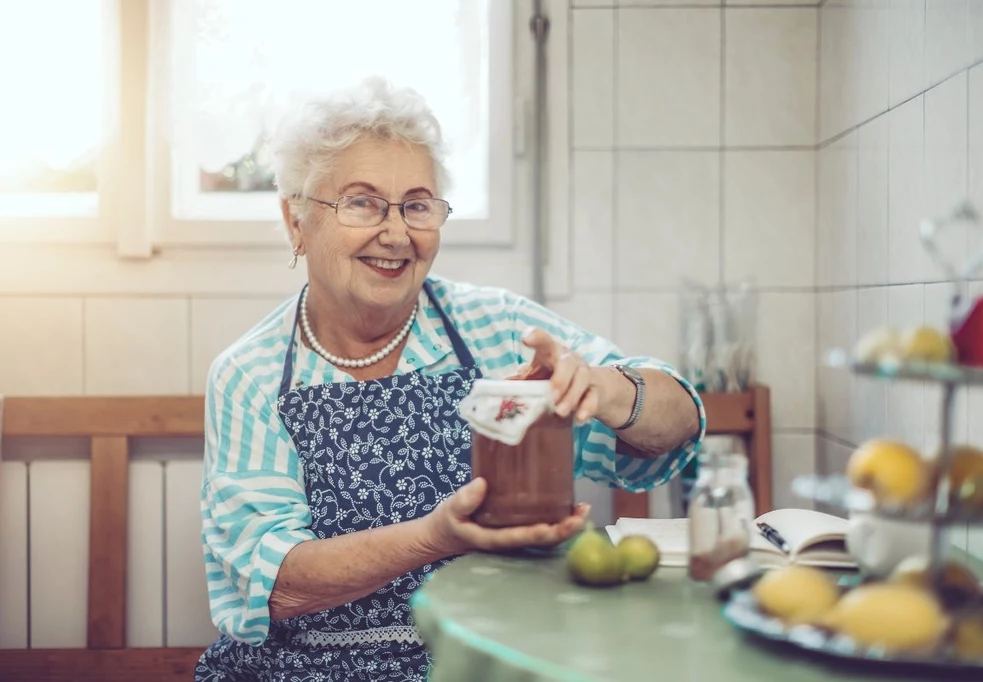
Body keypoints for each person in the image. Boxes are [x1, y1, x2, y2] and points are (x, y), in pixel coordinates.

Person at [194, 76, 706, 682]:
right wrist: (434, 536)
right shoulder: (249, 375)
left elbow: (679, 422)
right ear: (297, 221)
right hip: (308, 666)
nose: (396, 232)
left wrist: (605, 388)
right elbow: (274, 584)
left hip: (495, 653)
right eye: (362, 202)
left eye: (417, 204)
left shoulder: (497, 326)